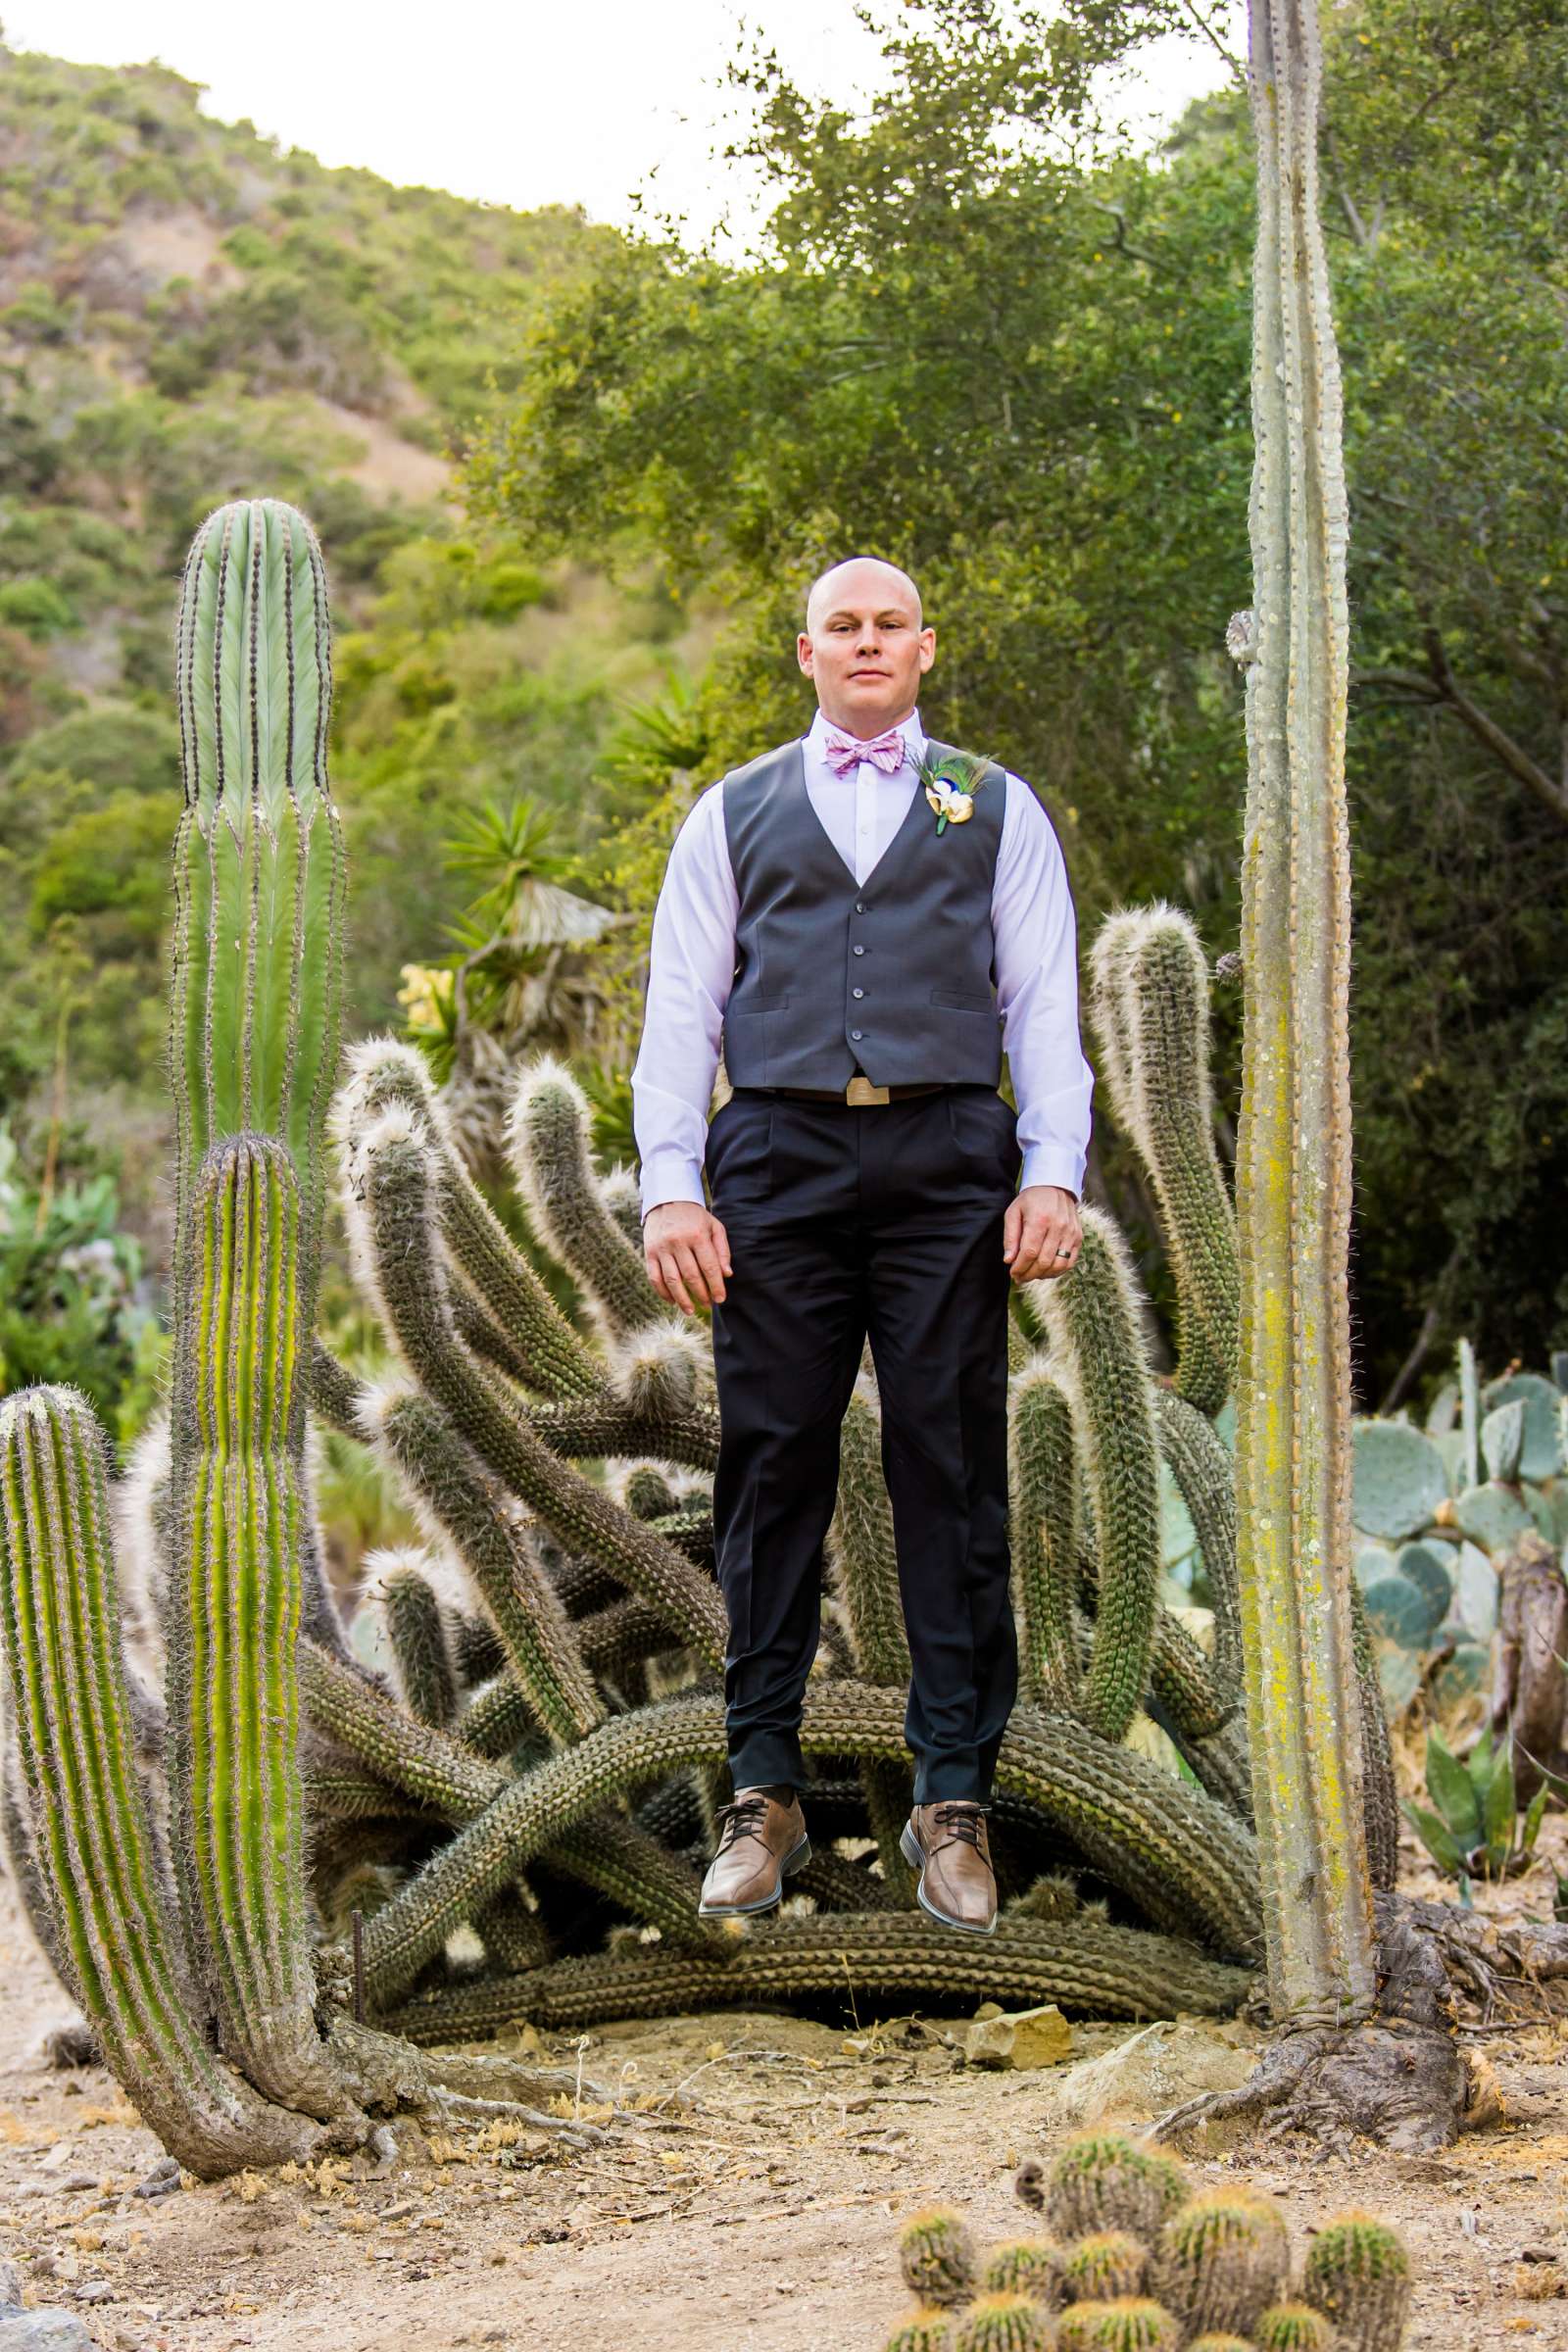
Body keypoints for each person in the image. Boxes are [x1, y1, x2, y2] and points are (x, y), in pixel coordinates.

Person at [630, 556, 1094, 1935]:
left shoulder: (995, 808)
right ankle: (760, 1790)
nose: (869, 642)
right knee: (771, 1467)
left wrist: (1051, 1174)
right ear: (807, 653)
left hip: (952, 1155)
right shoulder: (736, 811)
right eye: (846, 625)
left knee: (949, 1466)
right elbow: (678, 1008)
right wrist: (672, 1187)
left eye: (891, 624)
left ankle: (955, 1800)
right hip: (775, 1157)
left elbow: (1044, 1007)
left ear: (926, 648)